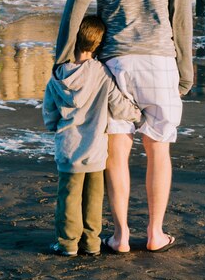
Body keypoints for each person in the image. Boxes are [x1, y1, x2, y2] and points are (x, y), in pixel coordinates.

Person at [55, 0, 193, 254]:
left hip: (114, 64)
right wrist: (186, 68)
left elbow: (74, 13)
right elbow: (181, 13)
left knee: (117, 150)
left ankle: (119, 236)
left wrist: (64, 62)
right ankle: (155, 232)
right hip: (160, 59)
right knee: (158, 148)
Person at [43, 15, 141, 257]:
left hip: (68, 149)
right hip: (96, 149)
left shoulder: (58, 75)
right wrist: (139, 113)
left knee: (68, 198)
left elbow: (49, 116)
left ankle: (67, 243)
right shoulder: (101, 74)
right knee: (94, 199)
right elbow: (119, 106)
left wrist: (57, 125)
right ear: (98, 45)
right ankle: (92, 243)